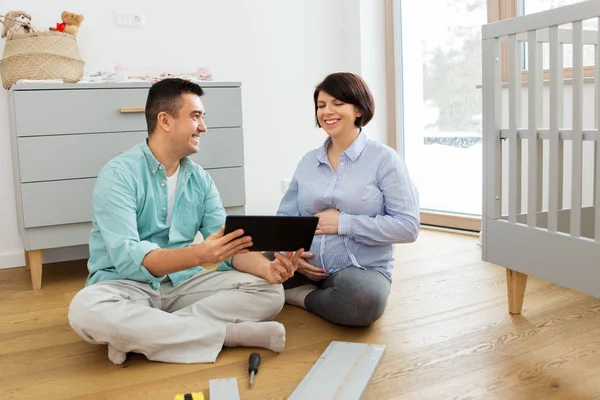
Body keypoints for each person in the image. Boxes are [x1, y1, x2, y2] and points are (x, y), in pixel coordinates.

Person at [68, 78, 303, 365]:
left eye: (202, 117)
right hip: (126, 286)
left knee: (269, 292)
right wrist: (199, 254)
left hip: (184, 284)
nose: (203, 127)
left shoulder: (200, 180)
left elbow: (230, 245)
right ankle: (230, 334)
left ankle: (137, 335)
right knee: (85, 309)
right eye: (195, 117)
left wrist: (268, 270)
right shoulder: (118, 175)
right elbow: (129, 261)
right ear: (165, 121)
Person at [274, 72, 420, 327]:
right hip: (305, 263)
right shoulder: (308, 161)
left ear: (359, 110)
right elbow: (285, 219)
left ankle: (300, 296)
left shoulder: (385, 160)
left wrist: (343, 223)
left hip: (359, 270)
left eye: (337, 103)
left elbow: (408, 227)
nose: (327, 111)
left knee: (364, 301)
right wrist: (292, 259)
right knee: (244, 262)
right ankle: (308, 290)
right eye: (321, 105)